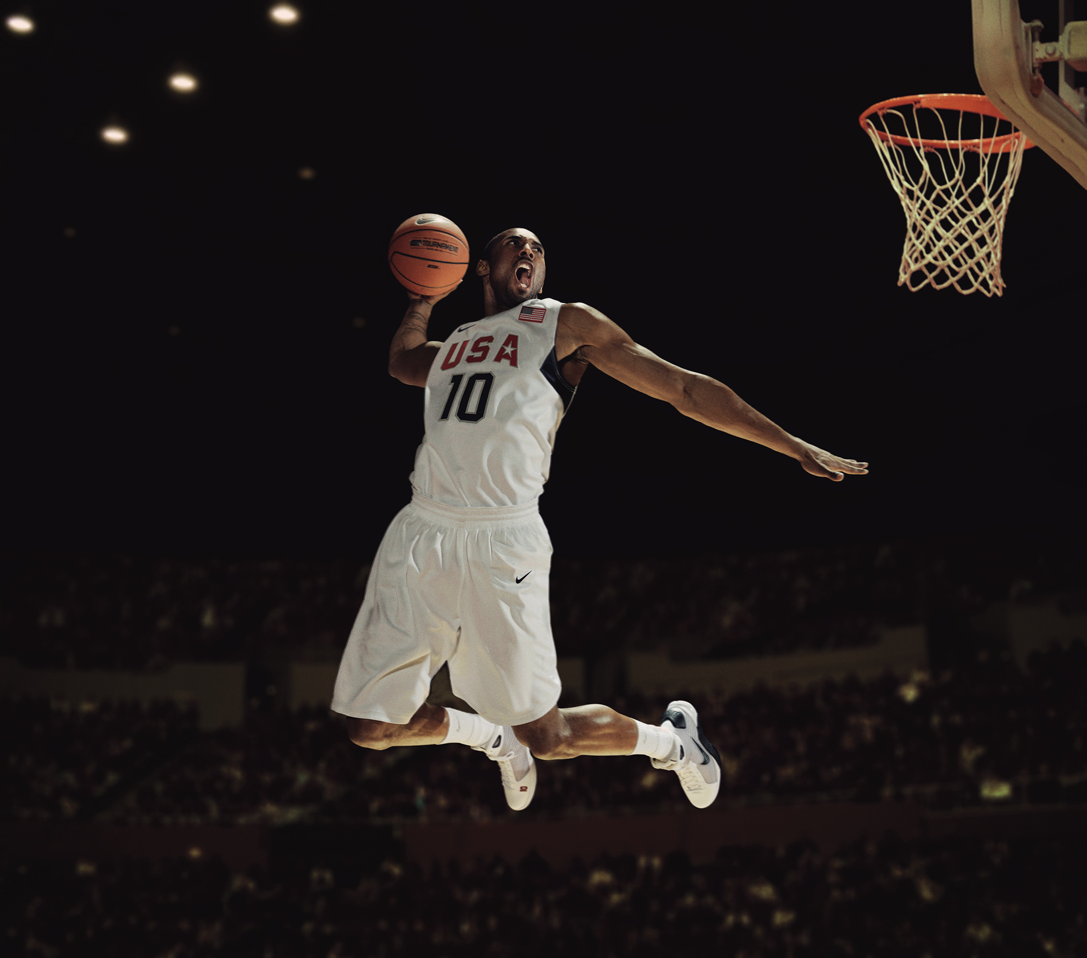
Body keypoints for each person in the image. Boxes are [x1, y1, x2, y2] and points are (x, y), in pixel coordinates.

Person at [332, 227, 867, 811]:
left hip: (502, 540)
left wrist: (788, 444)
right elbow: (403, 362)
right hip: (422, 531)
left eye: (538, 248)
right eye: (516, 244)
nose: (531, 252)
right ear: (481, 269)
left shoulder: (565, 325)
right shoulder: (457, 341)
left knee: (551, 738)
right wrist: (420, 303)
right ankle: (490, 736)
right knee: (369, 726)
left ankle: (673, 744)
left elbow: (683, 389)